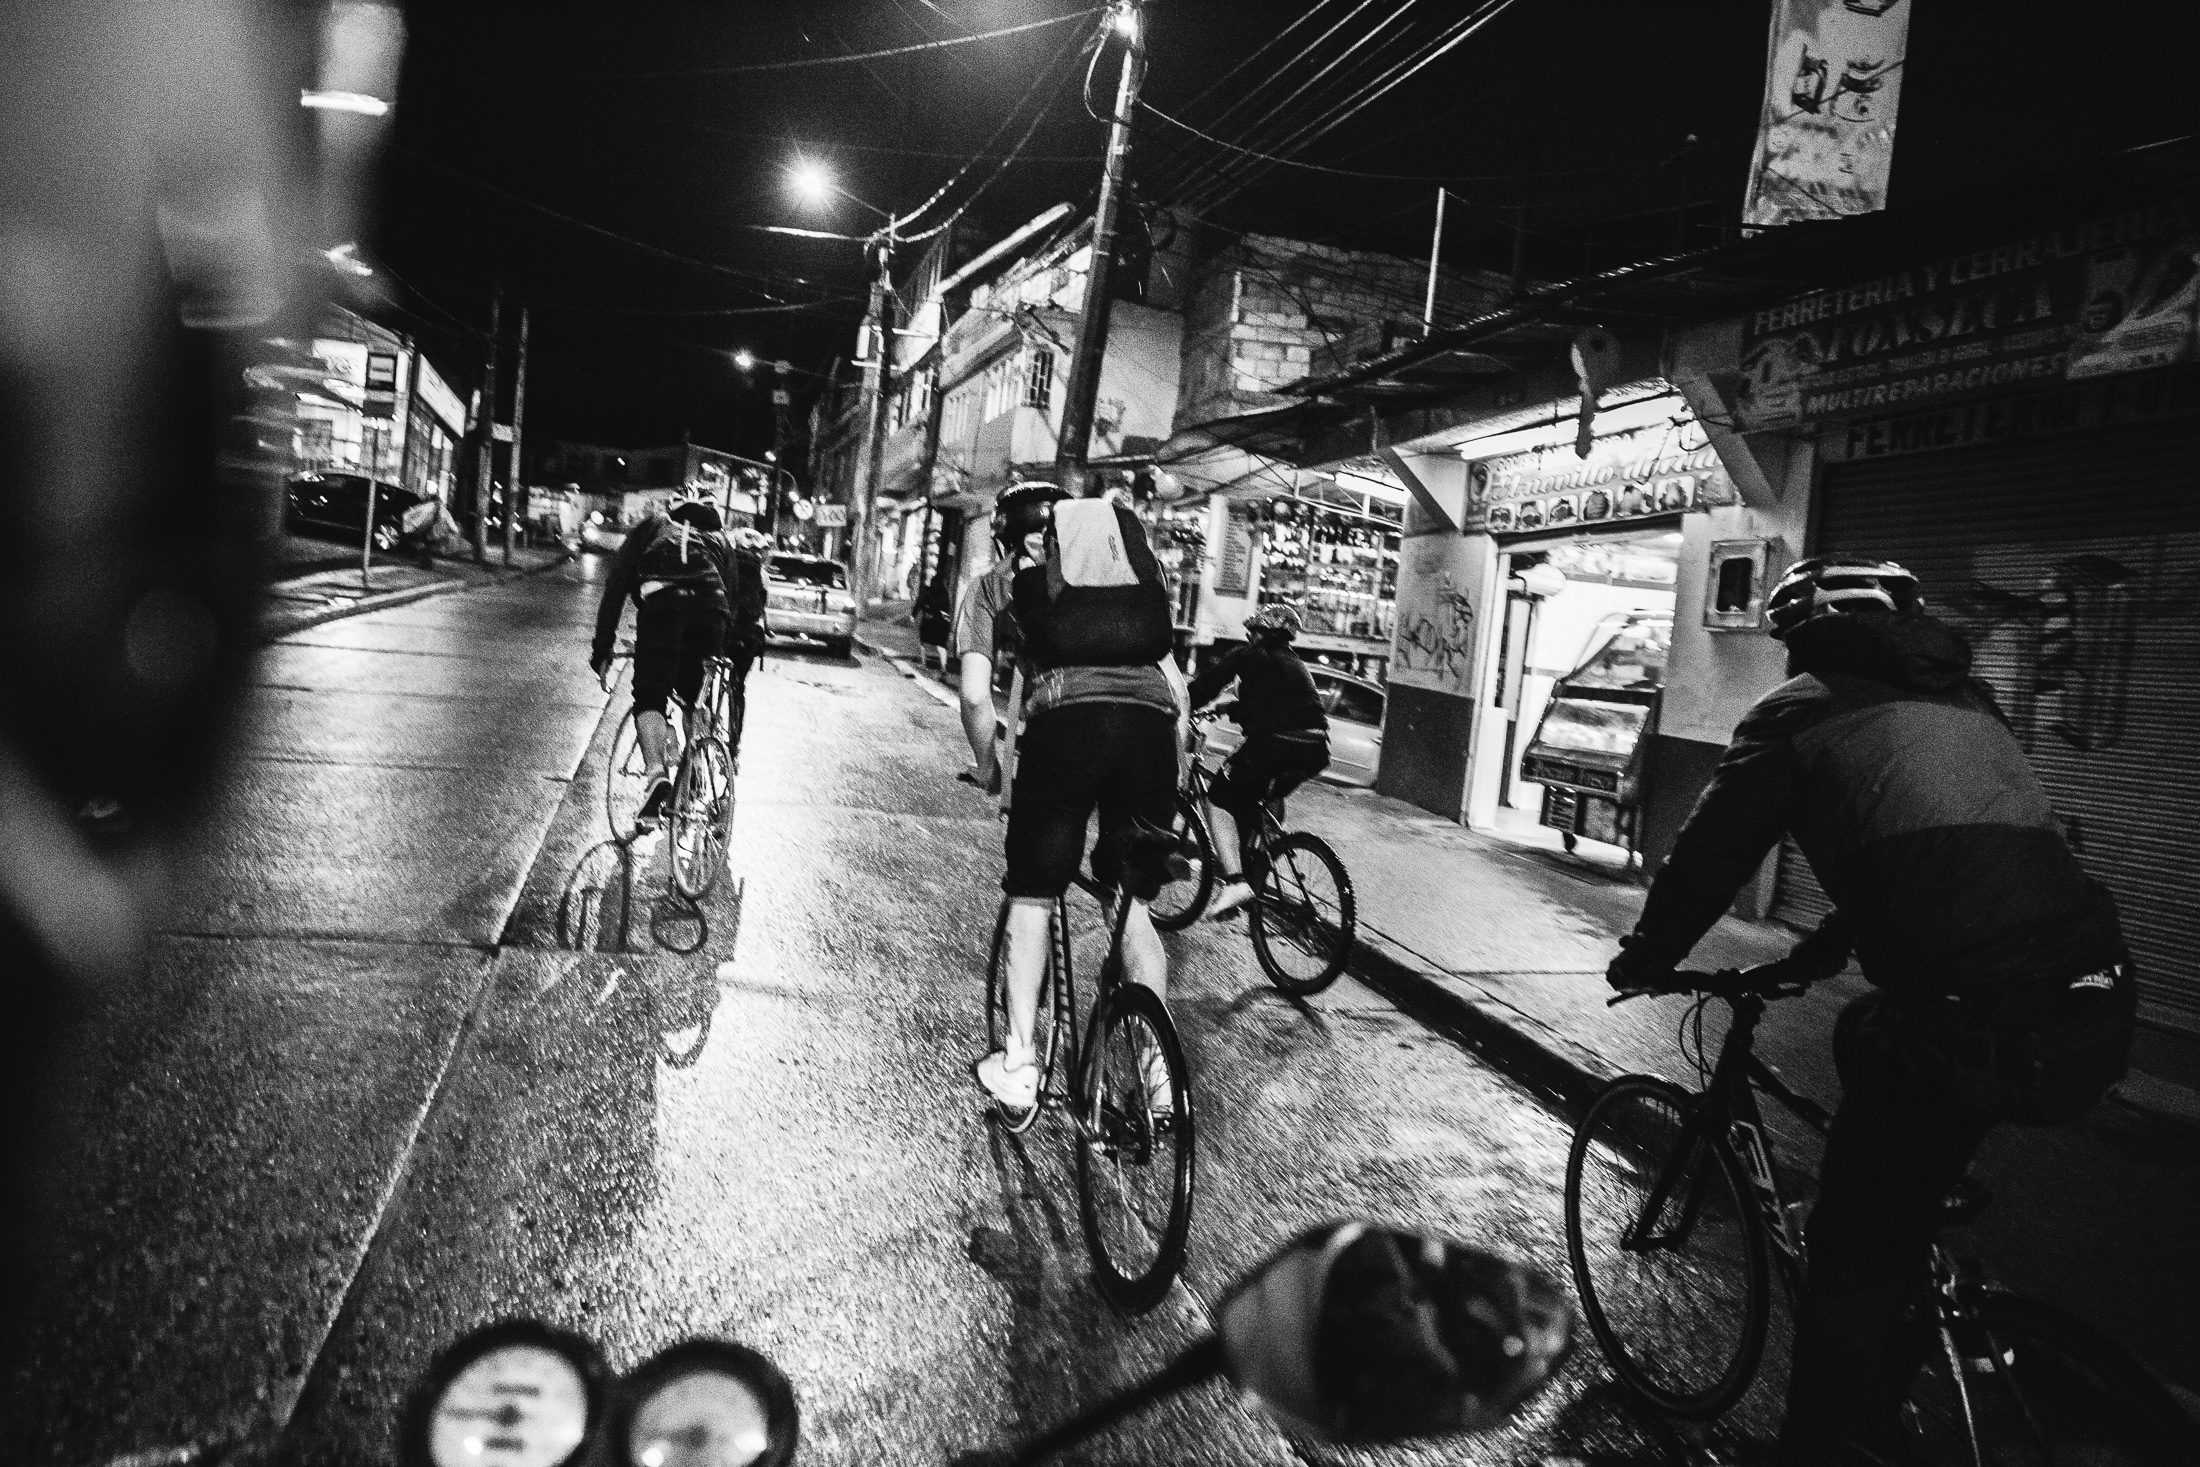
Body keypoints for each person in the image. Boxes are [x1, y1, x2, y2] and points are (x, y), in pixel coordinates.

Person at [1604, 557, 2135, 1466]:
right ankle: (1895, 1321)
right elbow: (1931, 852)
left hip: (1975, 1013)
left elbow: (1711, 854)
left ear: (1803, 633)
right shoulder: (1969, 699)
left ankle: (1818, 1448)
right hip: (2092, 993)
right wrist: (1823, 949)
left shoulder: (1796, 711)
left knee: (1851, 1255)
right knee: (1866, 1034)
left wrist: (1647, 956)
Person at [955, 481, 1188, 1113]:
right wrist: (1174, 767)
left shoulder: (993, 586)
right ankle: (1158, 1076)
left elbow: (975, 696)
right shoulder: (1120, 571)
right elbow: (1177, 688)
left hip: (1066, 729)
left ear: (1005, 536)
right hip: (1150, 731)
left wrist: (989, 767)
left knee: (1033, 894)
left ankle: (1019, 1062)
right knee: (1130, 904)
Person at [590, 492, 767, 825]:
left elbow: (616, 587)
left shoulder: (653, 527)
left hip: (664, 606)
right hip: (712, 613)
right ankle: (695, 768)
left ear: (673, 510)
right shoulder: (721, 539)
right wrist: (718, 651)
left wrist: (603, 649)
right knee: (692, 698)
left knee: (649, 696)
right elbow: (731, 600)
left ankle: (657, 776)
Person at [1186, 605, 1331, 920]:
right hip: (1316, 749)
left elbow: (1205, 687)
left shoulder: (1248, 655)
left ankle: (1236, 883)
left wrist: (1181, 704)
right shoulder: (1295, 663)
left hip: (1274, 745)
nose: (1248, 637)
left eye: (1251, 632)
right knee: (1254, 798)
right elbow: (1271, 706)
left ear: (1260, 633)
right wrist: (1226, 709)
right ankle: (1259, 863)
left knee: (1217, 800)